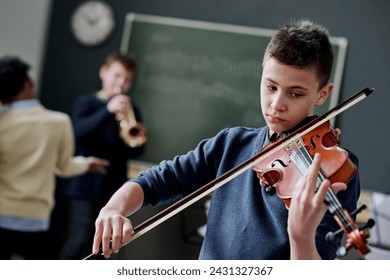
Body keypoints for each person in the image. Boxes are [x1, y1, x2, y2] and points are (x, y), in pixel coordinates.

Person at [92, 19, 361, 260]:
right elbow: (159, 180)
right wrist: (113, 209)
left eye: (295, 94)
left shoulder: (334, 171)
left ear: (323, 94)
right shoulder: (232, 144)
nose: (277, 104)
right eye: (270, 87)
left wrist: (300, 237)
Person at [0, 56, 109, 260]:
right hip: (35, 218)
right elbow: (64, 167)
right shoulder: (58, 122)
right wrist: (87, 164)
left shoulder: (2, 124)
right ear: (29, 81)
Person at [59, 51, 146, 259]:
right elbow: (78, 132)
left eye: (127, 80)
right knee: (80, 239)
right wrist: (107, 111)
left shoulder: (132, 110)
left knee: (105, 247)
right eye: (117, 76)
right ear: (103, 72)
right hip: (85, 185)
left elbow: (136, 149)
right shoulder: (87, 103)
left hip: (114, 186)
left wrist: (139, 136)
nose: (122, 83)